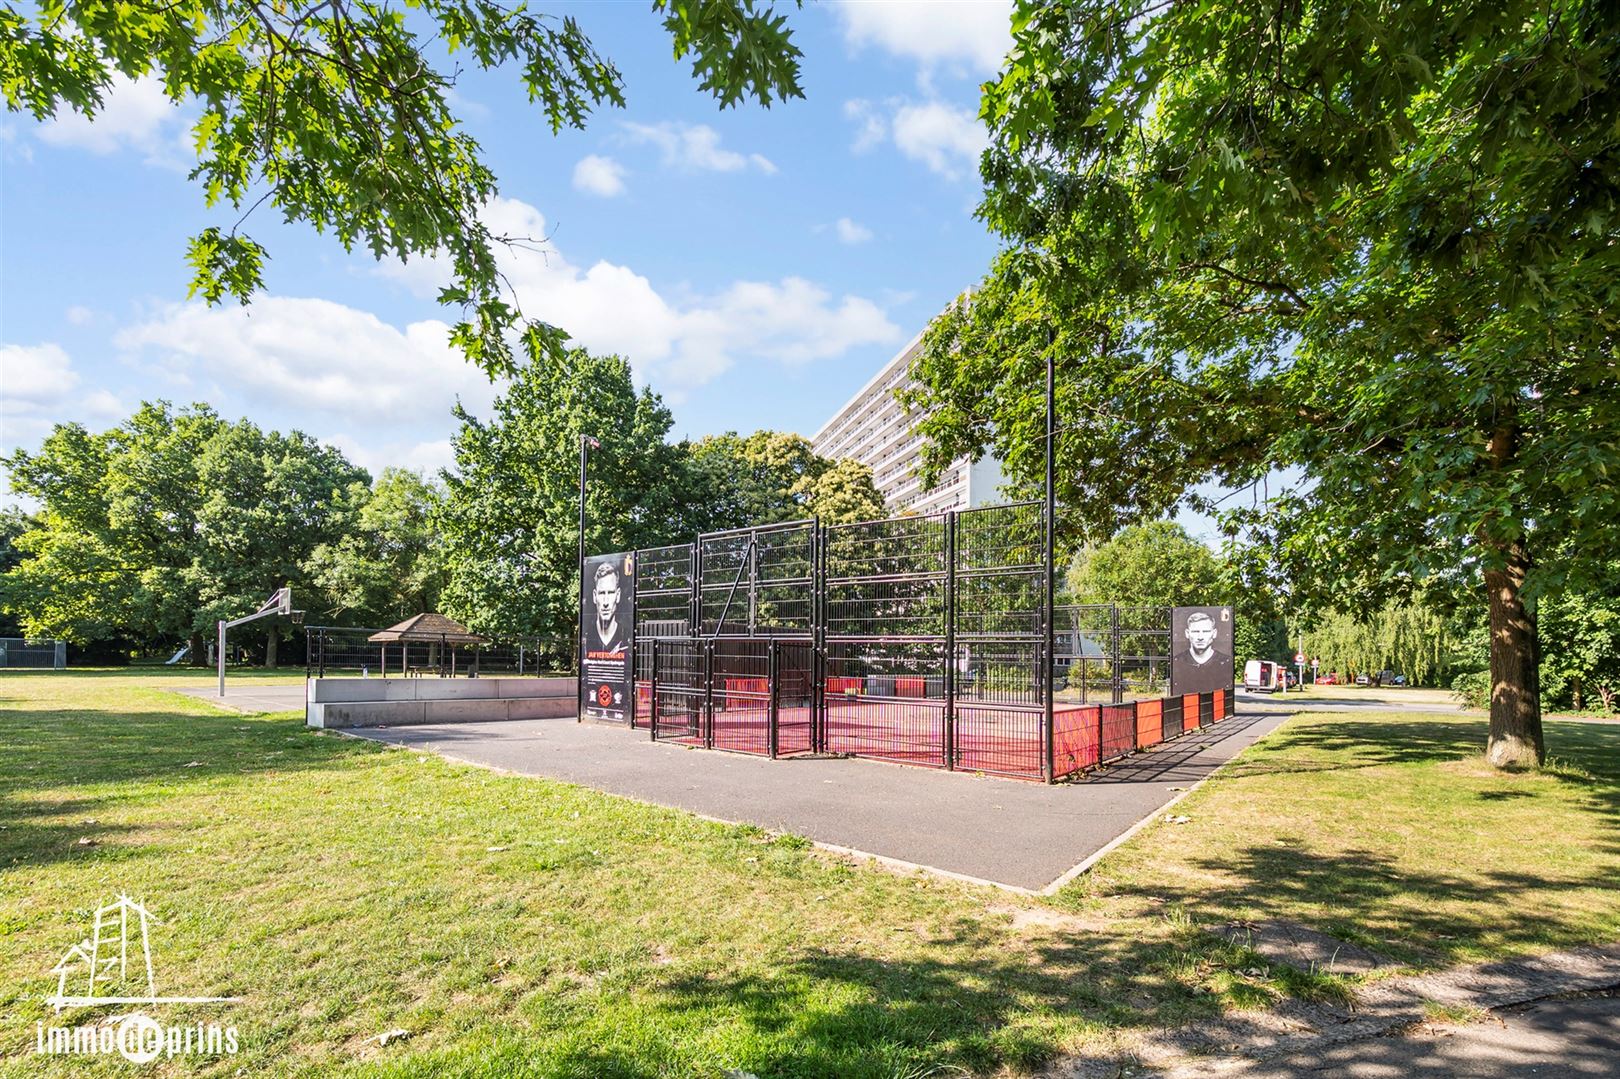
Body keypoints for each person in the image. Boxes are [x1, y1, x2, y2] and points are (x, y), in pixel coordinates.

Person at [1173, 610, 1232, 687]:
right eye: (1195, 631)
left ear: (1214, 633)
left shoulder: (1226, 661)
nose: (1200, 637)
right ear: (1187, 633)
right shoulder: (1177, 661)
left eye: (1206, 631)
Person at [590, 560, 626, 654]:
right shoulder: (586, 637)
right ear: (595, 596)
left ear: (618, 595)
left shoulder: (626, 637)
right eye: (602, 593)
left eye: (610, 593)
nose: (605, 602)